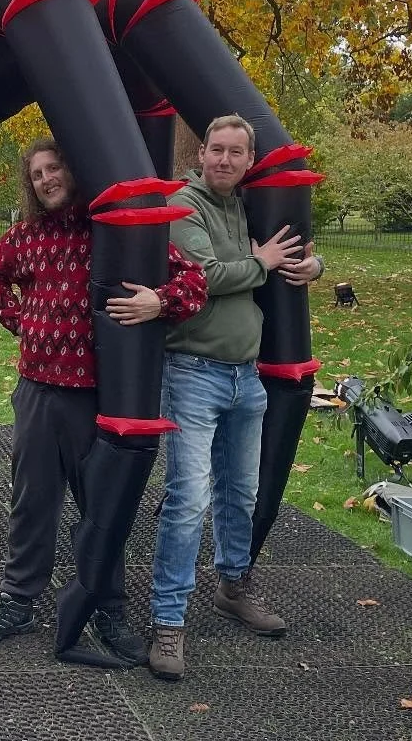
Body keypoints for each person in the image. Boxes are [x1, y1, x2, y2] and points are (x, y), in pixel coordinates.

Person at [0, 138, 207, 666]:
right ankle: (19, 599)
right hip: (37, 390)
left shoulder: (115, 233)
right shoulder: (28, 237)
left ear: (74, 170)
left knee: (102, 509)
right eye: (37, 174)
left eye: (55, 167)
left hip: (99, 398)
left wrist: (157, 302)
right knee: (32, 500)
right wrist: (20, 322)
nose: (47, 179)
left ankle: (107, 607)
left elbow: (193, 281)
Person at [147, 113, 322, 681]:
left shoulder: (250, 206)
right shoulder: (183, 205)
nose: (223, 160)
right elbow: (206, 273)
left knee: (240, 494)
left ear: (249, 161)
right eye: (215, 150)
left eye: (235, 153)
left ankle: (232, 586)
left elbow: (295, 250)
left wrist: (312, 264)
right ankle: (168, 623)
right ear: (200, 156)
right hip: (193, 372)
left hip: (246, 377)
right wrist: (261, 263)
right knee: (189, 498)